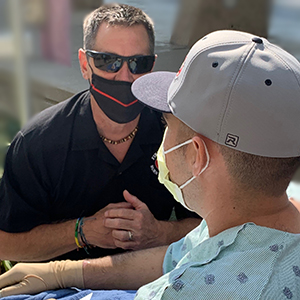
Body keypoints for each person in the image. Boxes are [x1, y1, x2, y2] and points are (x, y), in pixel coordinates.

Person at [1, 29, 300, 300]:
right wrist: (64, 272)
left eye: (167, 124)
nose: (124, 77)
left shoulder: (188, 292)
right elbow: (175, 256)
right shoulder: (246, 222)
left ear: (197, 154)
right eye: (108, 61)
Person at [0, 3, 200, 262]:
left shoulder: (173, 133)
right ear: (85, 64)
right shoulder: (39, 143)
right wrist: (83, 232)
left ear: (152, 67)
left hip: (147, 280)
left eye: (139, 63)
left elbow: (216, 226)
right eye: (108, 61)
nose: (125, 76)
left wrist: (159, 232)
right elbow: (6, 244)